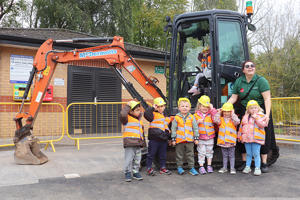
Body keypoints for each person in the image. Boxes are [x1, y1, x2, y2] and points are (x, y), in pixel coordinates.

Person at [227, 60, 277, 173]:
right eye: (247, 66)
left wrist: (267, 116)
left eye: (252, 66)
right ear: (243, 70)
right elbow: (233, 98)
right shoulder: (239, 81)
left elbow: (267, 99)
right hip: (245, 113)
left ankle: (264, 163)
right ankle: (246, 162)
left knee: (263, 135)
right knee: (243, 135)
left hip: (260, 111)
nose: (250, 67)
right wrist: (225, 106)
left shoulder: (261, 81)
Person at [238, 100, 268, 176]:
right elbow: (241, 127)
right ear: (248, 109)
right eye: (251, 108)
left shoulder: (261, 116)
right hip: (247, 139)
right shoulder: (245, 117)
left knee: (256, 153)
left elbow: (263, 125)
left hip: (256, 139)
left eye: (255, 108)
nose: (253, 109)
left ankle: (257, 168)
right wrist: (239, 136)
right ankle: (248, 167)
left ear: (258, 108)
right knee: (248, 153)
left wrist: (256, 118)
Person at [171, 98, 199, 176]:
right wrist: (173, 139)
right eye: (182, 106)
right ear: (179, 108)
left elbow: (195, 128)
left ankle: (191, 168)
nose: (184, 107)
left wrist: (196, 138)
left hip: (190, 140)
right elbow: (173, 129)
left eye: (186, 106)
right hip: (179, 140)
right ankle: (179, 167)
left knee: (190, 154)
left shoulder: (192, 117)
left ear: (190, 108)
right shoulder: (176, 118)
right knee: (179, 154)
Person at [144, 97, 171, 176]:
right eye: (159, 106)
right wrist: (152, 108)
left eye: (162, 106)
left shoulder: (165, 115)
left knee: (163, 155)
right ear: (156, 106)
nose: (161, 108)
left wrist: (169, 138)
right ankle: (149, 168)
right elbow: (146, 114)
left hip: (163, 139)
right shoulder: (152, 114)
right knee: (151, 154)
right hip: (154, 139)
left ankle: (162, 167)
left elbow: (166, 127)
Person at [120, 100, 146, 182]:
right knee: (129, 159)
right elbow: (122, 114)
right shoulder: (127, 118)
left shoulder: (139, 121)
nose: (139, 111)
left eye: (140, 110)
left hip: (138, 143)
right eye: (137, 110)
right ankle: (127, 172)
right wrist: (127, 106)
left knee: (138, 159)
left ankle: (135, 172)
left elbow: (142, 134)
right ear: (131, 111)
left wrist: (143, 144)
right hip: (130, 143)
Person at [214, 102, 240, 174]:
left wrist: (233, 114)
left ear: (231, 111)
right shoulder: (221, 119)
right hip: (223, 142)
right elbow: (215, 120)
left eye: (228, 111)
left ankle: (232, 168)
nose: (226, 113)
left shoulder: (233, 120)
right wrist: (219, 113)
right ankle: (224, 167)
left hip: (231, 142)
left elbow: (237, 121)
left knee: (231, 156)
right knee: (225, 156)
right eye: (224, 111)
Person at [193, 95, 217, 175]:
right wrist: (197, 123)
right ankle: (201, 166)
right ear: (199, 106)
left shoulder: (211, 114)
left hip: (210, 137)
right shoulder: (195, 116)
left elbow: (216, 118)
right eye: (203, 106)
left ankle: (209, 165)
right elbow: (192, 127)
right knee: (201, 152)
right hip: (201, 137)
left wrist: (212, 108)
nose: (205, 108)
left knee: (209, 151)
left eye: (207, 106)